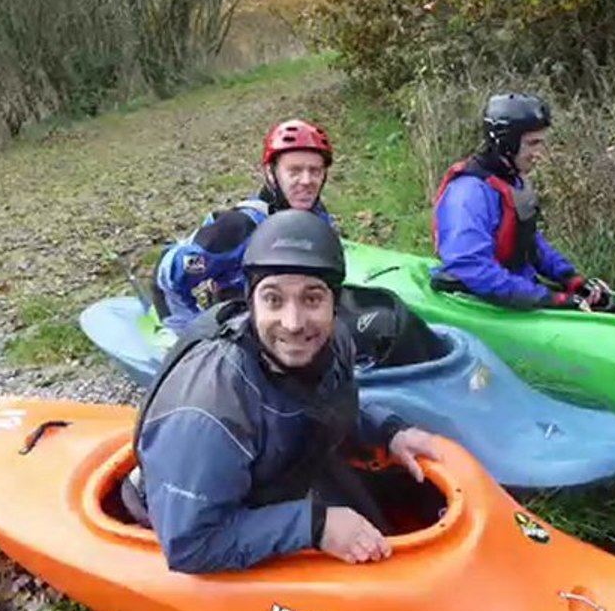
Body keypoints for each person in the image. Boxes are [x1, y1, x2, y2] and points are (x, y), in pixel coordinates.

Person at [127, 209, 441, 574]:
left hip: (276, 475)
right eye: (273, 300)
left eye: (312, 299)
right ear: (251, 302)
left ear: (334, 303)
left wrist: (389, 431)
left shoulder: (333, 339)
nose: (293, 324)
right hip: (195, 516)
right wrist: (316, 526)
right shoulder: (211, 408)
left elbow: (330, 401)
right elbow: (189, 544)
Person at [152, 119, 336, 332]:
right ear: (270, 173)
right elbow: (166, 280)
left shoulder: (318, 218)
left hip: (300, 327)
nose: (306, 181)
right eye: (294, 171)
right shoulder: (237, 228)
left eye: (315, 171)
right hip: (243, 335)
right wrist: (194, 339)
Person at [431, 92, 610, 310]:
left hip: (514, 289)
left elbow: (529, 242)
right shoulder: (468, 193)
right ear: (506, 143)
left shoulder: (511, 181)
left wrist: (569, 278)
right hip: (482, 301)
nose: (539, 154)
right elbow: (469, 265)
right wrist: (546, 299)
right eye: (532, 144)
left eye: (541, 143)